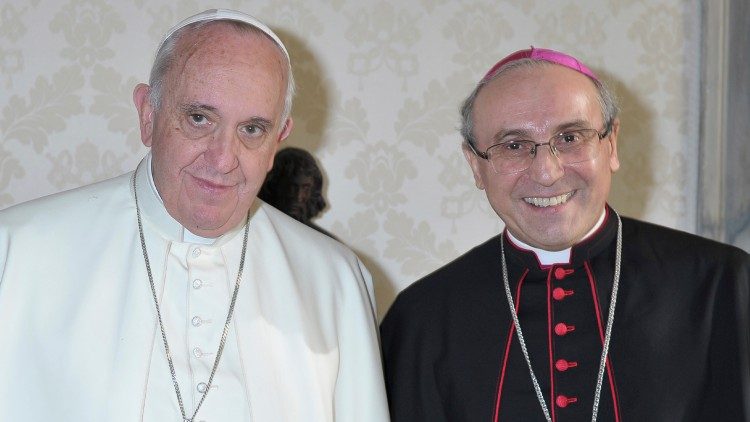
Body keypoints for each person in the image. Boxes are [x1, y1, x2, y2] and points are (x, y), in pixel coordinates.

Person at [0, 9, 388, 422]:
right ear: (148, 115)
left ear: (278, 140)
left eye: (252, 130)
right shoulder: (17, 253)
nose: (222, 160)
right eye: (199, 119)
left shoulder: (335, 282)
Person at [380, 47, 750, 421]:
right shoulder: (421, 321)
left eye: (570, 138)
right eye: (513, 146)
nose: (547, 173)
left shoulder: (724, 286)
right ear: (476, 165)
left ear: (611, 144)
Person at [258, 147, 336, 238]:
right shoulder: (253, 230)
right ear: (274, 185)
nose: (298, 197)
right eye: (291, 187)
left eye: (306, 188)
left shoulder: (324, 241)